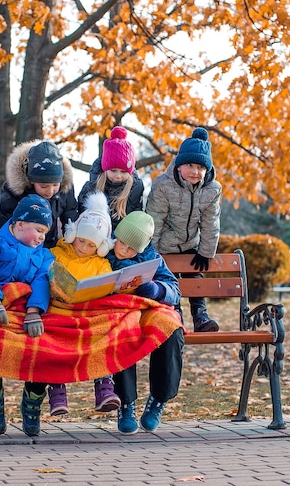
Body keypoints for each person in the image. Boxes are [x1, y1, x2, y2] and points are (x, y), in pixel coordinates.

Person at [25, 191, 121, 435]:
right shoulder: (57, 253)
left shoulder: (101, 264)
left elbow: (107, 288)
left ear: (100, 247)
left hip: (88, 313)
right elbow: (47, 277)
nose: (84, 248)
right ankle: (57, 391)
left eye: (91, 245)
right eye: (81, 241)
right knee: (56, 336)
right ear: (73, 235)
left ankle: (104, 387)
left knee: (102, 333)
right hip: (61, 311)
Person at [0, 194, 55, 436]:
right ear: (19, 224)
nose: (42, 236)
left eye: (45, 231)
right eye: (38, 229)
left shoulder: (44, 255)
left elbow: (42, 280)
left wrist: (34, 311)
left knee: (44, 347)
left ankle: (33, 401)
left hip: (28, 312)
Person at [107, 211, 184, 434]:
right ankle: (126, 403)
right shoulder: (103, 252)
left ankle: (159, 399)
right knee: (121, 331)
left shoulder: (152, 258)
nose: (123, 250)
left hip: (150, 309)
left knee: (171, 331)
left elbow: (174, 290)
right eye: (121, 243)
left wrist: (157, 289)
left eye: (131, 248)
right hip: (119, 311)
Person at [146, 127, 221, 332]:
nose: (195, 172)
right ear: (179, 166)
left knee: (195, 276)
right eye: (190, 165)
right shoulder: (163, 185)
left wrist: (206, 252)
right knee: (169, 280)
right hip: (165, 246)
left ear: (207, 169)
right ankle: (174, 313)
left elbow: (210, 222)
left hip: (191, 245)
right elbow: (155, 219)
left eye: (200, 167)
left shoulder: (212, 189)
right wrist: (152, 252)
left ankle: (201, 316)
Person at [0, 140, 78, 248]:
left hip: (49, 245)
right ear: (31, 181)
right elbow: (5, 221)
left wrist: (71, 241)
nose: (50, 191)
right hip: (20, 246)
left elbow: (70, 216)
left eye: (55, 185)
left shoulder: (65, 188)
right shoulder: (14, 190)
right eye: (44, 186)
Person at [78, 126, 144, 230]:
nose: (118, 176)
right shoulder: (91, 188)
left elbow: (135, 219)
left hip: (122, 239)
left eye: (123, 172)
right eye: (113, 171)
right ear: (105, 170)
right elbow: (81, 216)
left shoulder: (135, 189)